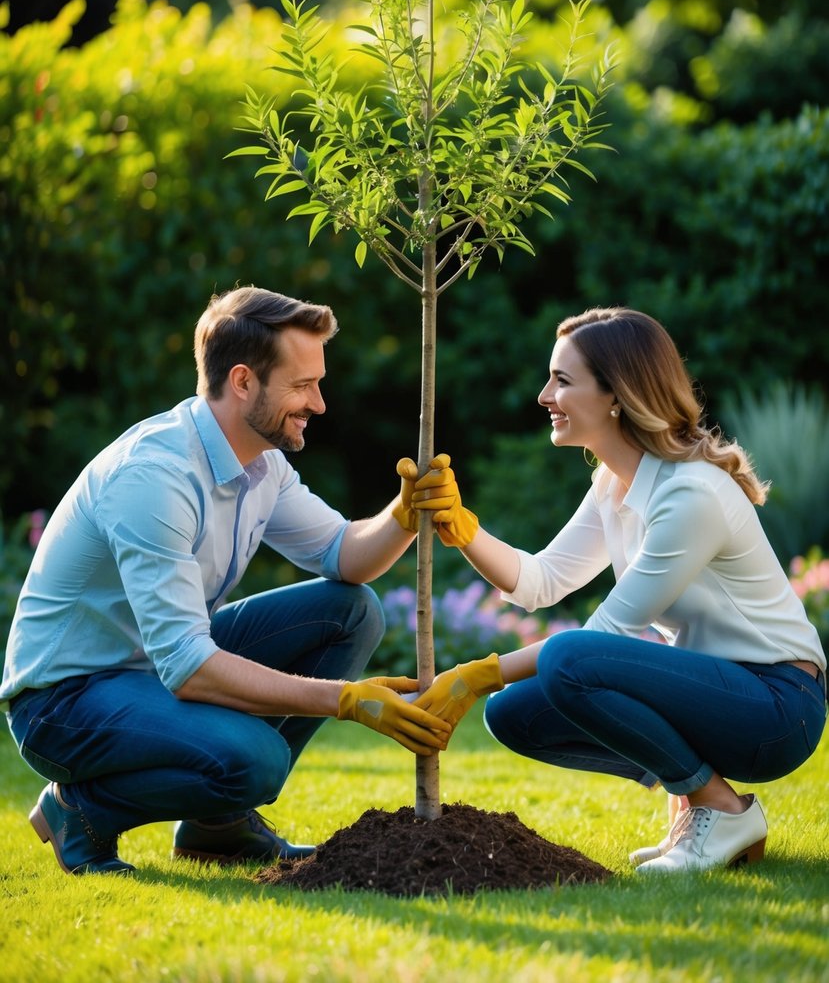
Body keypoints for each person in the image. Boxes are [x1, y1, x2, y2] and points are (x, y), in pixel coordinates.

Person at [1, 286, 452, 876]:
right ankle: (80, 812)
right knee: (255, 763)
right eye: (302, 384)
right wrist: (346, 700)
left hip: (151, 669)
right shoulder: (154, 476)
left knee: (353, 610)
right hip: (65, 699)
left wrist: (405, 512)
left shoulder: (261, 464)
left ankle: (220, 827)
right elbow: (188, 667)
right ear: (243, 382)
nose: (318, 403)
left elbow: (345, 556)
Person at [406, 307, 827, 874]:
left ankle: (718, 807)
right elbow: (541, 581)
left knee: (566, 662)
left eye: (562, 380)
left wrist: (472, 675)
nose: (543, 395)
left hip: (776, 706)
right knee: (514, 713)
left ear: (616, 395)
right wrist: (463, 528)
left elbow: (600, 640)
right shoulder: (613, 482)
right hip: (712, 688)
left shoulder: (690, 493)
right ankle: (700, 798)